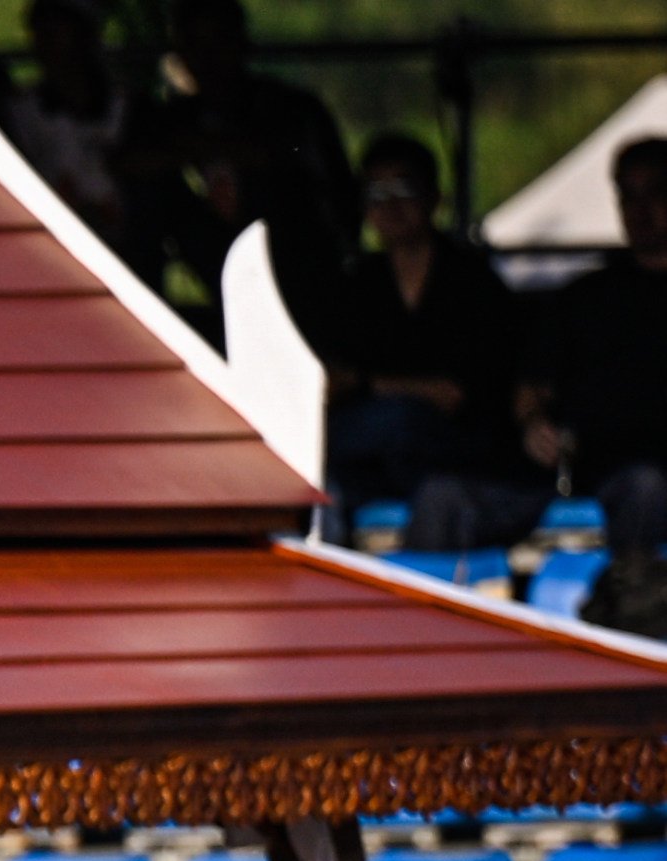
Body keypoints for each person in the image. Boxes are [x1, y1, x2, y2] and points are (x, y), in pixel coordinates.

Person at [326, 133, 539, 548]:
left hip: (461, 456)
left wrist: (369, 385)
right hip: (370, 464)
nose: (390, 205)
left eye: (404, 188)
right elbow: (330, 383)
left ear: (433, 198)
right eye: (375, 192)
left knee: (400, 420)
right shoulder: (354, 286)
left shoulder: (475, 284)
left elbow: (456, 394)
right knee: (321, 482)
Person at [115, 0, 349, 346]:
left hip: (291, 265)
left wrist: (218, 152)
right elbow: (128, 164)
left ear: (241, 44)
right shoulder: (168, 116)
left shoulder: (287, 106)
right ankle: (141, 318)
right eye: (195, 44)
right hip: (205, 261)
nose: (208, 59)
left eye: (218, 43)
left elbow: (318, 183)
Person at [524, 136, 667, 624]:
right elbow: (532, 389)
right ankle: (634, 615)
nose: (641, 210)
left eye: (656, 193)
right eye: (629, 196)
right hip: (597, 469)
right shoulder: (586, 296)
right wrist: (533, 424)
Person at [0, 0, 132, 256]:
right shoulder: (20, 111)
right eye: (41, 30)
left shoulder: (123, 107)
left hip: (123, 244)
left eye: (58, 28)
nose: (48, 40)